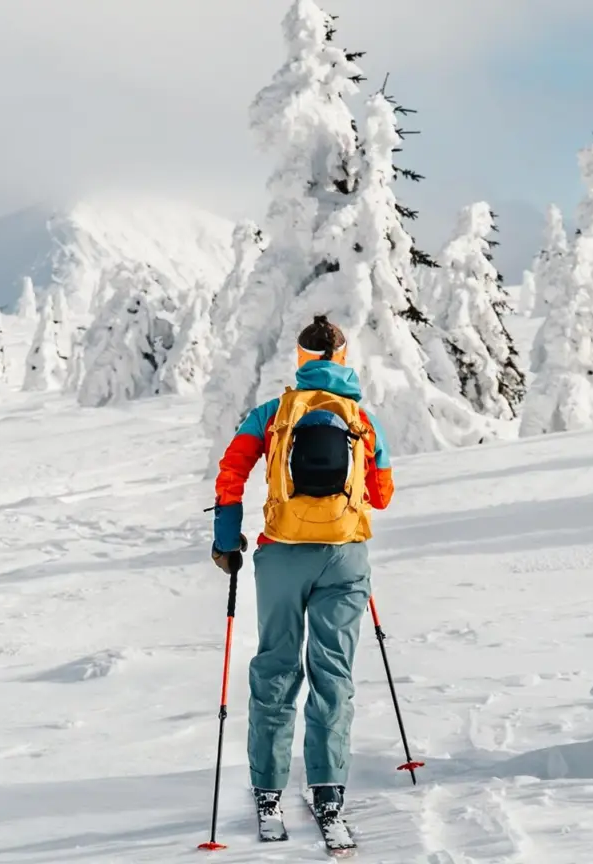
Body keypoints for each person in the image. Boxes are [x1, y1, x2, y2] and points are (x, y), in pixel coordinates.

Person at [209, 314, 394, 831]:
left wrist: (227, 542)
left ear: (301, 360)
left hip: (282, 555)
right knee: (332, 672)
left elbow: (231, 473)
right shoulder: (362, 419)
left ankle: (268, 790)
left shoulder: (272, 414)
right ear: (343, 358)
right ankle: (328, 789)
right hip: (345, 557)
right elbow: (381, 494)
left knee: (276, 666)